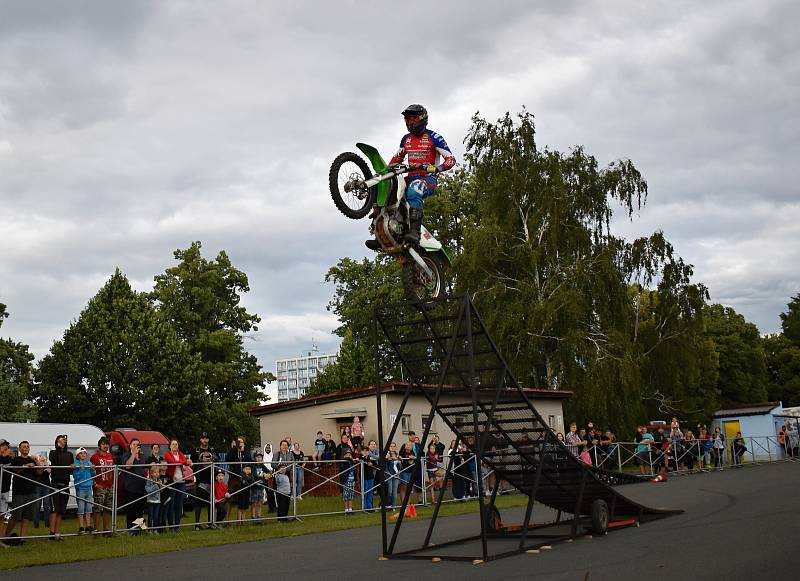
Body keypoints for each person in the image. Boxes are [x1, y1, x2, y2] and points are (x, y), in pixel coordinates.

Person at [365, 104, 456, 249]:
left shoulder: (434, 137)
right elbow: (396, 159)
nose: (410, 122)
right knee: (388, 188)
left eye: (413, 118)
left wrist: (436, 168)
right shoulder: (406, 139)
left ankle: (415, 232)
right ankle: (380, 234)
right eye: (407, 119)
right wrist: (384, 174)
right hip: (410, 176)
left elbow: (451, 159)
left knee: (414, 190)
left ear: (422, 118)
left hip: (428, 179)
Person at [3, 441, 41, 545]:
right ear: (20, 449)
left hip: (31, 490)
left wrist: (36, 462)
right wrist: (25, 466)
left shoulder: (31, 459)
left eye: (28, 446)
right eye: (24, 447)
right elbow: (14, 471)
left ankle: (23, 537)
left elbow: (39, 472)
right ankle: (4, 536)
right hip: (19, 491)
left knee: (27, 516)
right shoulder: (16, 459)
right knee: (16, 516)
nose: (26, 448)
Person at [190, 432, 217, 530]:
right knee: (199, 503)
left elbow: (217, 462)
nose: (205, 440)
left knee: (211, 502)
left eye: (206, 438)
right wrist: (201, 461)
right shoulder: (196, 451)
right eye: (203, 438)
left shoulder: (212, 450)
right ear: (200, 440)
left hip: (211, 479)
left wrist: (215, 458)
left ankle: (210, 523)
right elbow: (192, 464)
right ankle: (197, 525)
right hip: (200, 480)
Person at [48, 434, 73, 540]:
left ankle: (58, 533)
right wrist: (58, 446)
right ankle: (51, 533)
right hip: (55, 484)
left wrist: (73, 467)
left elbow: (70, 470)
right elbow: (53, 459)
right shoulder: (53, 453)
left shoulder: (70, 454)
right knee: (55, 509)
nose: (63, 442)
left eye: (64, 440)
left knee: (61, 510)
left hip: (65, 484)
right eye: (61, 440)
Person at [164, 438, 192, 530]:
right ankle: (171, 525)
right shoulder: (167, 454)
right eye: (173, 444)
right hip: (172, 482)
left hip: (181, 481)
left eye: (176, 444)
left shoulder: (180, 454)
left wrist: (183, 462)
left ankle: (177, 525)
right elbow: (172, 462)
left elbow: (185, 461)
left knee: (179, 504)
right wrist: (183, 463)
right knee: (171, 504)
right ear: (170, 446)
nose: (175, 446)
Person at [122, 438, 149, 533]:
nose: (136, 446)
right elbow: (128, 466)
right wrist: (133, 454)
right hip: (130, 487)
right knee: (131, 510)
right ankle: (131, 529)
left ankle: (140, 528)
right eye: (134, 444)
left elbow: (145, 469)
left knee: (140, 509)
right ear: (130, 446)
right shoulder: (126, 455)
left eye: (137, 444)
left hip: (142, 487)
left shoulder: (143, 456)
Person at [91, 436, 114, 535]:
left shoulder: (110, 456)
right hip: (99, 486)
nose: (105, 446)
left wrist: (112, 484)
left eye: (107, 444)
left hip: (109, 486)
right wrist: (94, 484)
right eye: (103, 444)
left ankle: (106, 530)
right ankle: (96, 530)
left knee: (108, 509)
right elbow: (90, 472)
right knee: (97, 510)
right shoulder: (94, 457)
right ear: (99, 446)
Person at [73, 447, 96, 535]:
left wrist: (93, 468)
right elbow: (76, 476)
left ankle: (88, 526)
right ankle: (81, 526)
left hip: (88, 488)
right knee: (81, 508)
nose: (83, 455)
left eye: (84, 453)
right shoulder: (76, 463)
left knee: (89, 508)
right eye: (81, 453)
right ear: (78, 456)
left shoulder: (88, 462)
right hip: (80, 488)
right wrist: (81, 470)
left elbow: (93, 474)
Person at [272, 440, 293, 522]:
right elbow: (272, 463)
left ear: (288, 446)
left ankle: (285, 517)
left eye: (286, 445)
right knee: (280, 499)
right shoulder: (277, 454)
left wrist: (286, 469)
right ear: (280, 446)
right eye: (283, 445)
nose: (284, 446)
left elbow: (292, 463)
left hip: (287, 476)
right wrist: (280, 469)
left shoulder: (290, 454)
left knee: (287, 498)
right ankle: (280, 518)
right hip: (279, 476)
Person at [145, 464, 164, 532]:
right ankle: (150, 529)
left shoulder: (159, 480)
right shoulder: (149, 480)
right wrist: (156, 485)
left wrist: (161, 485)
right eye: (155, 472)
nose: (156, 474)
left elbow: (161, 490)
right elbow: (148, 490)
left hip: (158, 501)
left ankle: (155, 529)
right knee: (151, 516)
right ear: (151, 473)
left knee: (156, 516)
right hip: (150, 501)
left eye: (158, 472)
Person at [360, 442, 378, 511]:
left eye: (366, 451)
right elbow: (362, 461)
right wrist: (367, 462)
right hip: (364, 477)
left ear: (368, 452)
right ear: (361, 452)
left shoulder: (370, 458)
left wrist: (371, 463)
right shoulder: (360, 458)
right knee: (365, 492)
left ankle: (369, 507)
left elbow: (376, 465)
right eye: (363, 451)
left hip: (371, 477)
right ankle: (364, 507)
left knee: (370, 492)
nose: (365, 452)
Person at [0, 439, 13, 524]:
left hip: (5, 488)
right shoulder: (4, 457)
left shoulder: (9, 458)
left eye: (7, 445)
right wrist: (4, 455)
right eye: (3, 445)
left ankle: (1, 535)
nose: (6, 447)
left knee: (2, 512)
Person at [251, 452, 266, 522]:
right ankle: (253, 517)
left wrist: (268, 474)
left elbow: (268, 471)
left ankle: (259, 517)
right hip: (255, 487)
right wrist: (258, 479)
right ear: (255, 458)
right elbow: (254, 474)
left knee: (260, 503)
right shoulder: (254, 466)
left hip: (261, 487)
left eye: (260, 457)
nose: (259, 458)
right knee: (254, 503)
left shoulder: (262, 466)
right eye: (257, 457)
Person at [384, 442, 400, 509]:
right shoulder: (387, 454)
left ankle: (394, 506)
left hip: (396, 475)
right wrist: (388, 458)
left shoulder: (397, 455)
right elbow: (384, 463)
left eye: (394, 446)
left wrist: (398, 459)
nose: (392, 447)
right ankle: (387, 504)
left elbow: (400, 466)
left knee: (395, 491)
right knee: (389, 491)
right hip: (389, 475)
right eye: (391, 446)